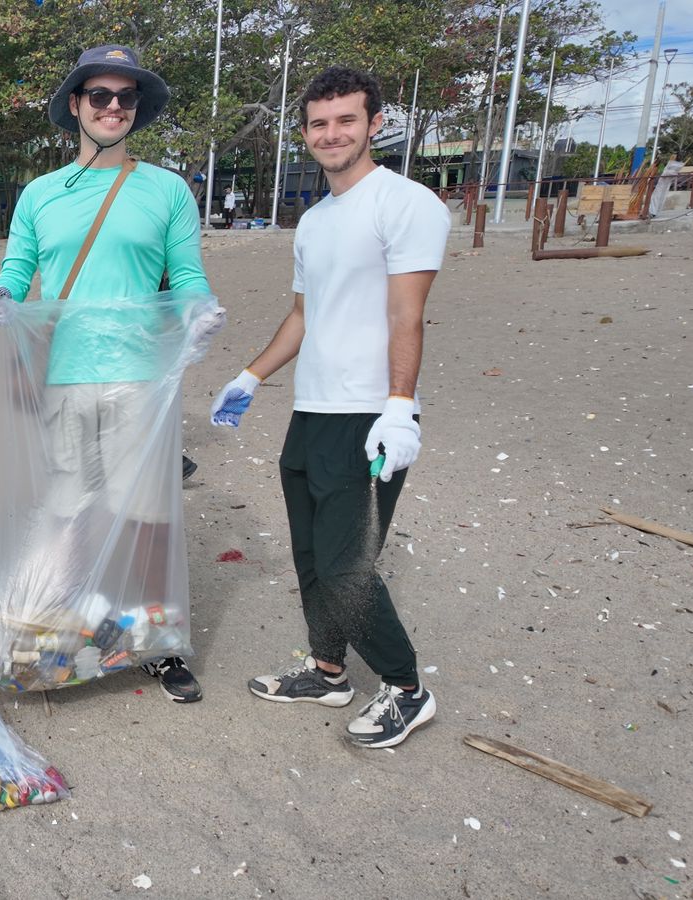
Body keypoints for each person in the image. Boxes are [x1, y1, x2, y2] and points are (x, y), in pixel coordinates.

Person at [212, 66, 448, 749]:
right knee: (312, 553)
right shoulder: (314, 221)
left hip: (370, 415)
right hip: (312, 410)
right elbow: (302, 315)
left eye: (346, 120)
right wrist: (251, 376)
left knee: (349, 563)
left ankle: (407, 689)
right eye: (319, 123)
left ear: (375, 123)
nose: (332, 133)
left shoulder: (407, 204)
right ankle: (327, 670)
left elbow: (409, 315)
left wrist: (399, 407)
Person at [0, 44, 211, 702]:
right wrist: (2, 296)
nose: (114, 107)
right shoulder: (40, 195)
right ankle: (70, 620)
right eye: (100, 96)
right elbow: (19, 270)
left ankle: (158, 641)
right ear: (76, 107)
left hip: (142, 375)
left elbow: (187, 273)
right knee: (69, 509)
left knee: (147, 516)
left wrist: (200, 309)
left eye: (126, 97)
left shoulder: (167, 190)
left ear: (137, 109)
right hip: (67, 376)